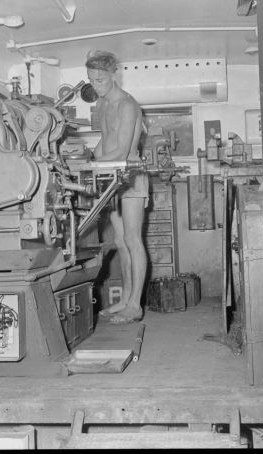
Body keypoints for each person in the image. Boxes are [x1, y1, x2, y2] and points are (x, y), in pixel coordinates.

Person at [86, 50, 149, 324]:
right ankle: (125, 299)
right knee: (121, 240)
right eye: (92, 80)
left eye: (100, 80)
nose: (96, 85)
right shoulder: (103, 104)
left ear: (114, 75)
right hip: (111, 177)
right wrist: (85, 157)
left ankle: (135, 306)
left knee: (133, 239)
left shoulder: (127, 105)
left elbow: (122, 150)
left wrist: (90, 165)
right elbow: (105, 141)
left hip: (131, 175)